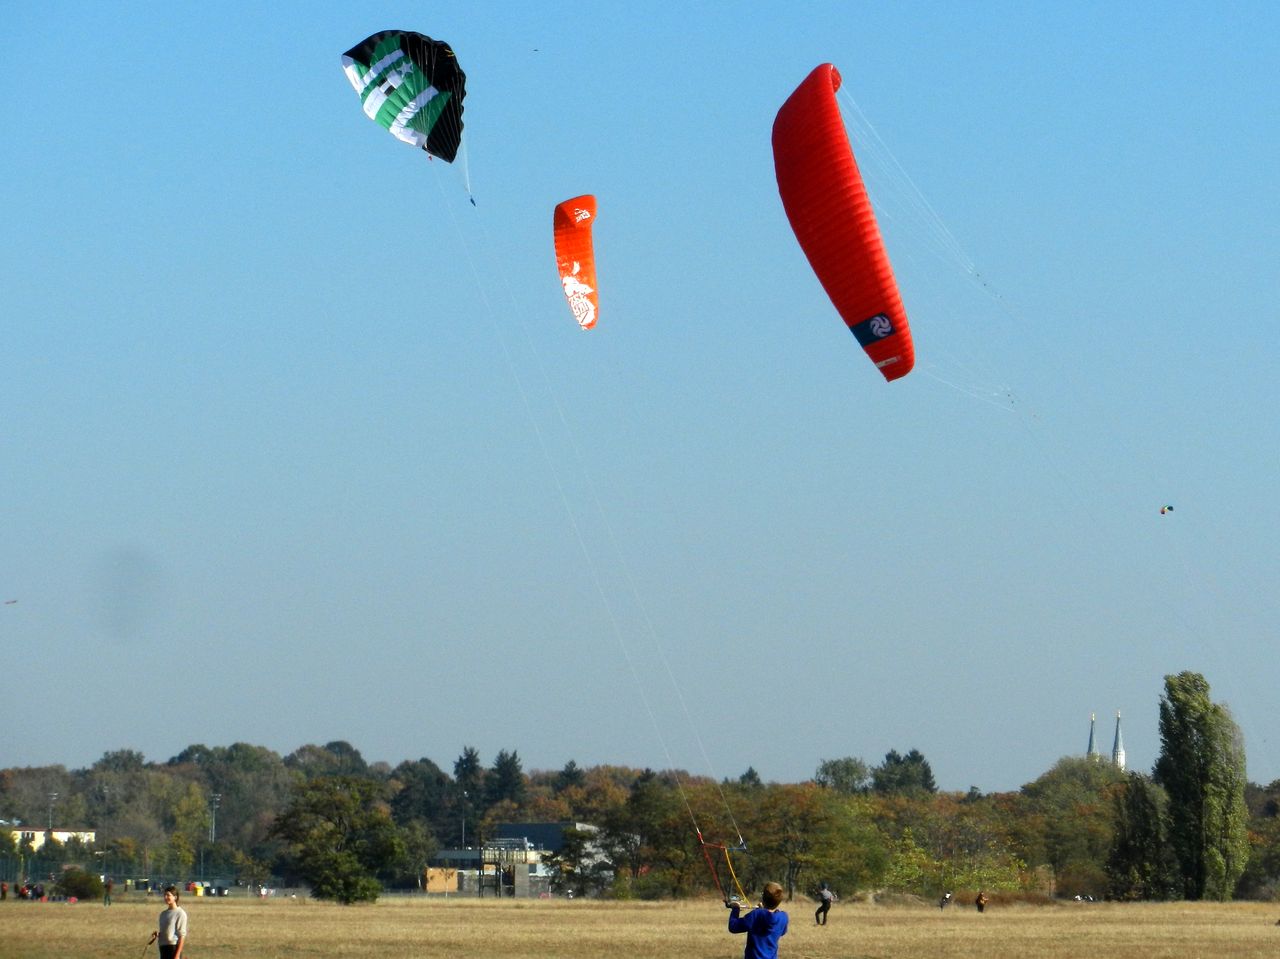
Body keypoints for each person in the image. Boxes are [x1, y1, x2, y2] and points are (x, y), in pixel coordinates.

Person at [727, 881, 788, 959]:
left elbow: (733, 926)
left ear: (763, 897)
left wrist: (735, 909)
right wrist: (763, 911)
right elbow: (782, 932)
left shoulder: (756, 915)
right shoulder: (783, 917)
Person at [156, 885, 189, 959]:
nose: (165, 897)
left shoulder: (180, 913)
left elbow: (181, 936)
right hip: (163, 948)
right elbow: (168, 931)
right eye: (164, 895)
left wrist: (177, 956)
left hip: (173, 948)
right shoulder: (163, 914)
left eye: (168, 895)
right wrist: (158, 934)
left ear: (175, 897)